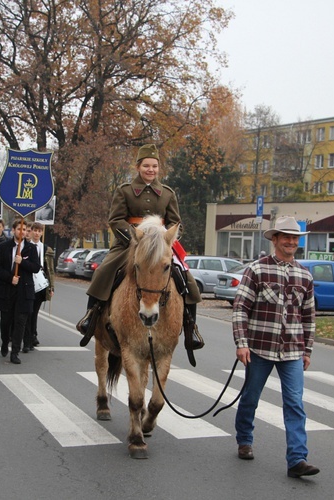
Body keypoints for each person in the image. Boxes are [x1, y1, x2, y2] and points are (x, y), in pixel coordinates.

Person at [77, 144, 203, 352]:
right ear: (138, 167)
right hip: (130, 243)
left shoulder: (167, 194)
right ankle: (91, 316)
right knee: (104, 271)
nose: (150, 170)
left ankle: (191, 326)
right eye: (146, 165)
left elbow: (175, 222)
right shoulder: (124, 191)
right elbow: (115, 219)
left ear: (158, 168)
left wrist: (166, 238)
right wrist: (136, 238)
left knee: (186, 278)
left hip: (160, 245)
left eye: (154, 166)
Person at [232, 216, 319, 478]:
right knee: (250, 398)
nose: (291, 242)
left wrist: (308, 350)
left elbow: (309, 316)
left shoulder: (305, 275)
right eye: (286, 237)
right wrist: (242, 343)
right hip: (259, 348)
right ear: (275, 239)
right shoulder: (256, 270)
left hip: (292, 350)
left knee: (294, 403)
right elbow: (240, 309)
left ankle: (297, 459)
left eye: (294, 238)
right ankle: (244, 439)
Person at [0, 219, 40, 364]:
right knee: (6, 321)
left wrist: (22, 262)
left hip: (24, 291)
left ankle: (15, 352)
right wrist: (9, 278)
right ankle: (4, 340)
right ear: (13, 230)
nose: (22, 232)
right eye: (19, 229)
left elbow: (36, 267)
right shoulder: (4, 247)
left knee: (20, 322)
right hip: (7, 290)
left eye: (25, 230)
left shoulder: (31, 248)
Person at [25, 222, 55, 351]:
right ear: (30, 231)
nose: (37, 233)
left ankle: (33, 335)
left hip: (41, 284)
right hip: (27, 283)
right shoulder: (25, 246)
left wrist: (51, 287)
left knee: (35, 311)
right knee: (28, 311)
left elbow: (51, 269)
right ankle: (27, 336)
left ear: (42, 233)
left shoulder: (46, 249)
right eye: (34, 230)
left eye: (39, 231)